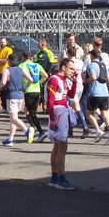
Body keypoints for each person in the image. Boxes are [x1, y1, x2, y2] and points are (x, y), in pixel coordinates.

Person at [46, 59, 82, 192]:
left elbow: (70, 95)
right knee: (62, 146)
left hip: (61, 113)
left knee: (57, 146)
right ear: (63, 67)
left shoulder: (64, 80)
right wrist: (52, 119)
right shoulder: (54, 80)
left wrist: (75, 82)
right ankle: (61, 178)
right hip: (58, 114)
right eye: (71, 68)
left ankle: (55, 177)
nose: (73, 71)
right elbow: (50, 101)